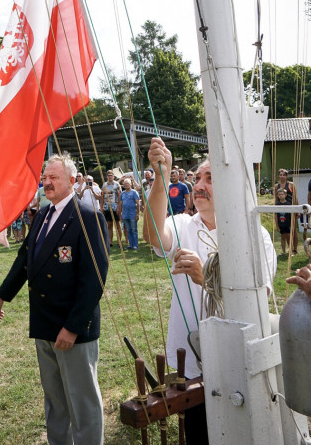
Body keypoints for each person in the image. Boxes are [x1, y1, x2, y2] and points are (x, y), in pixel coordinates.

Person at [143, 137, 276, 445]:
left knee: (243, 430)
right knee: (200, 432)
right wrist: (161, 179)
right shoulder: (184, 225)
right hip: (192, 360)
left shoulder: (257, 236)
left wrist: (206, 279)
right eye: (198, 177)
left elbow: (257, 300)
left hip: (239, 356)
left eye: (210, 178)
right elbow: (152, 233)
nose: (199, 184)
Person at [0, 153, 109, 445]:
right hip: (44, 322)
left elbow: (94, 280)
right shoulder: (43, 215)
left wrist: (73, 327)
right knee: (55, 399)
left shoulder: (88, 217)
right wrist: (3, 294)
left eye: (53, 177)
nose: (46, 183)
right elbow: (26, 259)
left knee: (82, 401)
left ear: (72, 180)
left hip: (72, 328)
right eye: (44, 178)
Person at [274, 169, 298, 255]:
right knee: (284, 232)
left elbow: (295, 198)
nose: (282, 176)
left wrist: (297, 210)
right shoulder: (277, 186)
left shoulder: (291, 185)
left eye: (284, 175)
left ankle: (294, 249)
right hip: (281, 210)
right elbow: (276, 198)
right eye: (280, 175)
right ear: (278, 176)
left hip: (291, 210)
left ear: (286, 176)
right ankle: (285, 250)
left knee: (293, 230)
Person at [118, 178, 140, 250]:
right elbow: (121, 204)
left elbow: (138, 204)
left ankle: (135, 245)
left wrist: (137, 214)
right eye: (124, 184)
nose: (126, 185)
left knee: (134, 230)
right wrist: (120, 214)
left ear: (131, 184)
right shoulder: (123, 193)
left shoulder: (134, 192)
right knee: (128, 230)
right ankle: (130, 244)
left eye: (127, 183)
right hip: (125, 215)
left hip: (132, 214)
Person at [101, 170, 122, 246]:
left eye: (111, 175)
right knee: (109, 224)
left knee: (117, 224)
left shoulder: (117, 184)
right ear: (107, 176)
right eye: (109, 175)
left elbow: (120, 197)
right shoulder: (104, 185)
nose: (110, 177)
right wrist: (102, 207)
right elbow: (102, 196)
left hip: (115, 207)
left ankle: (119, 241)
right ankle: (110, 241)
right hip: (107, 207)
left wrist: (119, 207)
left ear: (114, 176)